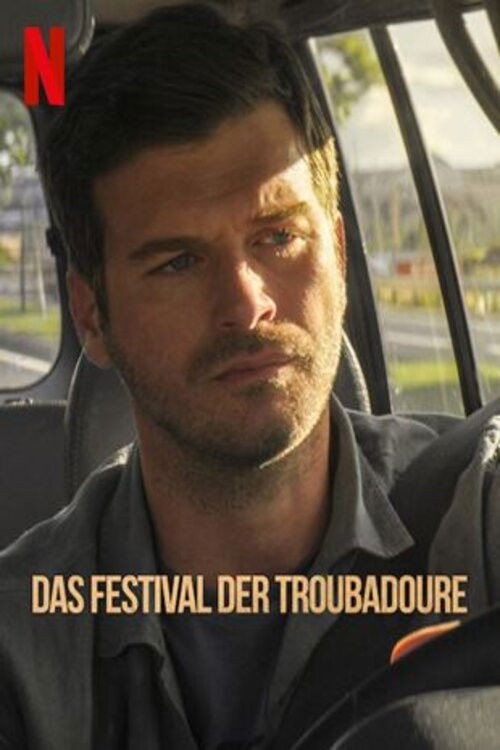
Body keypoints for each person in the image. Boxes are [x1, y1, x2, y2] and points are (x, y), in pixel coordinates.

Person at [0, 4, 498, 749]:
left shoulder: (474, 508)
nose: (246, 303)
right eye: (178, 262)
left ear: (337, 254)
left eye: (279, 236)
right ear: (91, 315)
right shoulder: (23, 644)